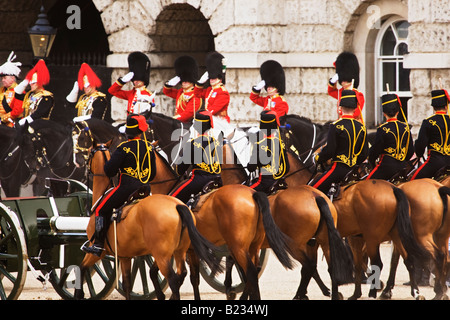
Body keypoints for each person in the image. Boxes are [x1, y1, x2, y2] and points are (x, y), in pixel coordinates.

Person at [82, 114, 155, 257]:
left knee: (101, 210)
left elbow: (109, 171)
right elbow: (152, 174)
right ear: (140, 132)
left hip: (126, 189)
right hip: (146, 189)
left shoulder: (123, 148)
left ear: (127, 132)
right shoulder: (149, 147)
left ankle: (98, 244)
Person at [311, 89, 368, 195]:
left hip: (338, 170)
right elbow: (364, 153)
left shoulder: (336, 125)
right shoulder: (361, 127)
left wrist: (318, 158)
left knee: (311, 190)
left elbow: (330, 151)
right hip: (354, 172)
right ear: (355, 108)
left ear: (340, 108)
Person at [170, 110, 221, 204]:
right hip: (217, 180)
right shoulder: (217, 143)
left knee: (171, 199)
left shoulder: (193, 143)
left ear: (196, 126)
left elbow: (180, 170)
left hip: (199, 181)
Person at [366, 93, 414, 180]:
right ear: (398, 112)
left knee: (365, 185)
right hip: (402, 168)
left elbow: (376, 149)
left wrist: (371, 160)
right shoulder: (406, 127)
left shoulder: (382, 128)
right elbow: (410, 150)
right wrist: (402, 161)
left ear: (384, 113)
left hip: (386, 168)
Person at [411, 89, 450, 180]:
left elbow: (421, 144)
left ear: (433, 107)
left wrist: (419, 153)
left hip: (434, 163)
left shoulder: (428, 122)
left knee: (412, 181)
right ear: (446, 106)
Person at [247, 110, 289, 194]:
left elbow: (251, 168)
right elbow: (286, 168)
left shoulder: (259, 144)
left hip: (263, 184)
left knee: (243, 193)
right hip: (279, 183)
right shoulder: (281, 144)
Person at [194, 51, 232, 139]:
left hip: (220, 123)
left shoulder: (223, 93)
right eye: (210, 78)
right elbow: (197, 93)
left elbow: (212, 110)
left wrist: (201, 116)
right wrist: (200, 82)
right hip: (210, 121)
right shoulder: (209, 90)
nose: (211, 80)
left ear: (219, 78)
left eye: (213, 78)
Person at [327, 51, 365, 122]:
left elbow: (356, 113)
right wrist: (332, 82)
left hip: (354, 125)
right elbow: (331, 91)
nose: (342, 81)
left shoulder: (358, 94)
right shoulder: (340, 92)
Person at [163, 55, 201, 123]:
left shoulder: (195, 95)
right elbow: (167, 92)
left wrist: (173, 120)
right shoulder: (181, 92)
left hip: (189, 124)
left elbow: (187, 114)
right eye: (183, 80)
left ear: (192, 80)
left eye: (187, 80)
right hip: (178, 122)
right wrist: (169, 84)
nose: (184, 82)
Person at [17, 59, 54, 126]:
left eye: (33, 83)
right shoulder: (30, 94)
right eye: (30, 83)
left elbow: (39, 113)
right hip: (28, 124)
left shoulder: (46, 97)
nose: (31, 84)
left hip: (41, 126)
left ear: (40, 83)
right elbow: (17, 95)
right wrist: (25, 81)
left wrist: (25, 121)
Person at [250, 60, 289, 124]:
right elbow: (254, 98)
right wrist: (257, 89)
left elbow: (280, 120)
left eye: (271, 86)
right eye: (267, 86)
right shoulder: (267, 99)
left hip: (273, 130)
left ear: (277, 88)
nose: (268, 88)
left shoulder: (281, 102)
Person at [0, 51, 27, 127]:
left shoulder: (20, 91)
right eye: (2, 78)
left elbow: (17, 111)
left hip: (12, 124)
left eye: (5, 78)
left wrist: (3, 118)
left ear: (12, 78)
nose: (2, 80)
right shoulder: (1, 90)